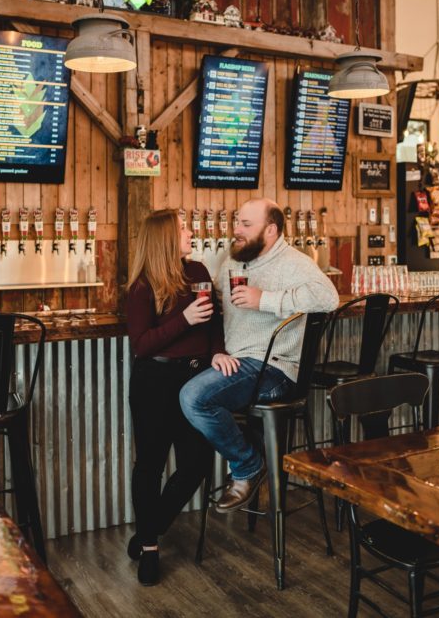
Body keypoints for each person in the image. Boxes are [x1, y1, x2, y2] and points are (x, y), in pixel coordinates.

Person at [180, 198, 339, 512]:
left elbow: (328, 297)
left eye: (245, 225)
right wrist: (216, 350)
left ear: (270, 230)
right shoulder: (233, 262)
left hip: (274, 369)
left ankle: (248, 466)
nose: (236, 231)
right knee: (179, 390)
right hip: (238, 363)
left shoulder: (295, 262)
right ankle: (246, 459)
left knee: (194, 397)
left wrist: (265, 299)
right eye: (236, 223)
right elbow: (222, 312)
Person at [125, 209, 221, 586]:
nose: (191, 231)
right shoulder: (143, 286)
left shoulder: (198, 272)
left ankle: (150, 527)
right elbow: (141, 345)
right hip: (155, 381)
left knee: (196, 464)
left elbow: (215, 321)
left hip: (196, 380)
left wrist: (217, 351)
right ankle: (150, 547)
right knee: (149, 465)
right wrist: (185, 320)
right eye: (183, 228)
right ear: (165, 238)